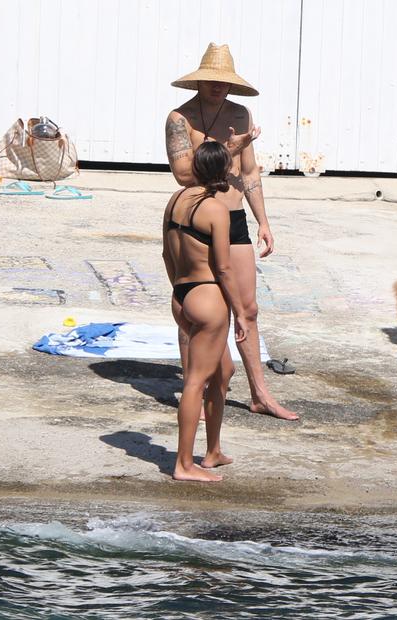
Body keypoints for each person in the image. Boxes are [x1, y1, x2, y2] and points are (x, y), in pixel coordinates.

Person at [165, 43, 298, 420]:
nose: (218, 88)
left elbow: (250, 171)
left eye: (224, 82)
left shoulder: (240, 114)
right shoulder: (180, 119)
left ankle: (260, 393)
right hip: (197, 219)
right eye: (212, 81)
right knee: (198, 309)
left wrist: (264, 222)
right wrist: (226, 147)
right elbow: (184, 173)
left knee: (248, 309)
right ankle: (195, 389)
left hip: (235, 218)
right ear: (200, 80)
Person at [162, 142, 247, 482]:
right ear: (224, 171)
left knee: (223, 372)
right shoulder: (215, 209)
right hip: (208, 296)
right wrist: (240, 311)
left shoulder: (175, 200)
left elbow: (167, 254)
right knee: (195, 381)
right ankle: (184, 464)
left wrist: (180, 292)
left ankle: (212, 452)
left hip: (182, 294)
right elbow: (224, 269)